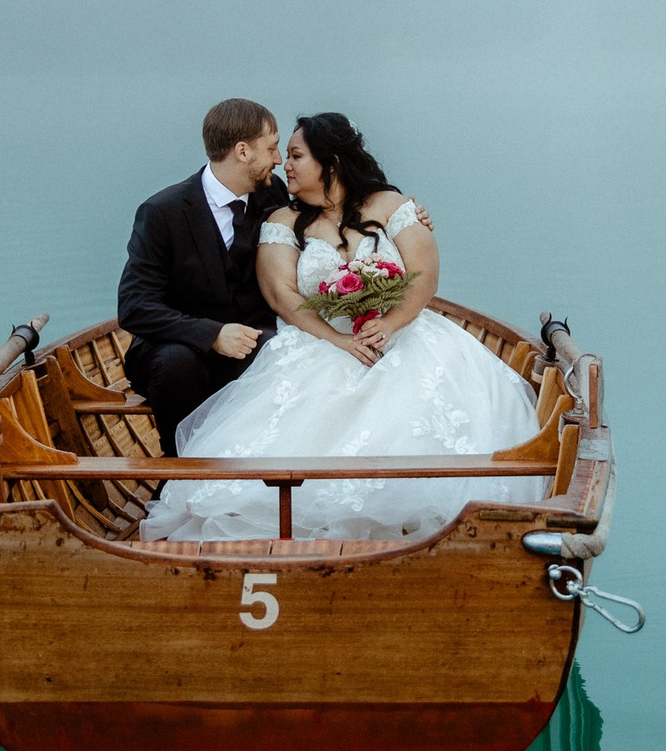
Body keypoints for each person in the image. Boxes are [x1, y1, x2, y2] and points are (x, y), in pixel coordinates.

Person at [137, 112, 541, 542]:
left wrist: (389, 324)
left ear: (330, 162)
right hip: (321, 338)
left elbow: (423, 275)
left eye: (294, 155)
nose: (282, 164)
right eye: (279, 153)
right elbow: (283, 297)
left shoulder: (391, 206)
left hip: (403, 332)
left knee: (421, 397)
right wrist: (337, 338)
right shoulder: (281, 218)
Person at [115, 98, 292, 440]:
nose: (278, 160)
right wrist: (211, 334)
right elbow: (134, 306)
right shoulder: (162, 212)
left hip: (251, 340)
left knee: (282, 352)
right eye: (271, 148)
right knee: (177, 363)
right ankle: (180, 469)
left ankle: (259, 463)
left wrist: (399, 217)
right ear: (243, 151)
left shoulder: (273, 195)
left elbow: (330, 218)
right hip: (178, 347)